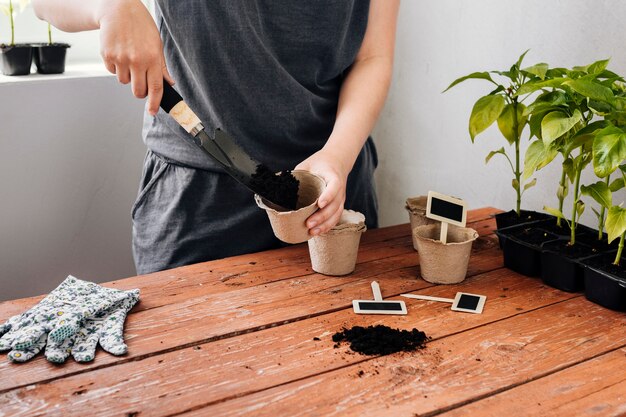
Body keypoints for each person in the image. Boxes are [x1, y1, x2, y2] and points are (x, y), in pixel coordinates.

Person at [33, 0, 400, 274]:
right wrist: (111, 6)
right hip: (199, 206)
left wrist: (338, 156)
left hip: (330, 192)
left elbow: (372, 56)